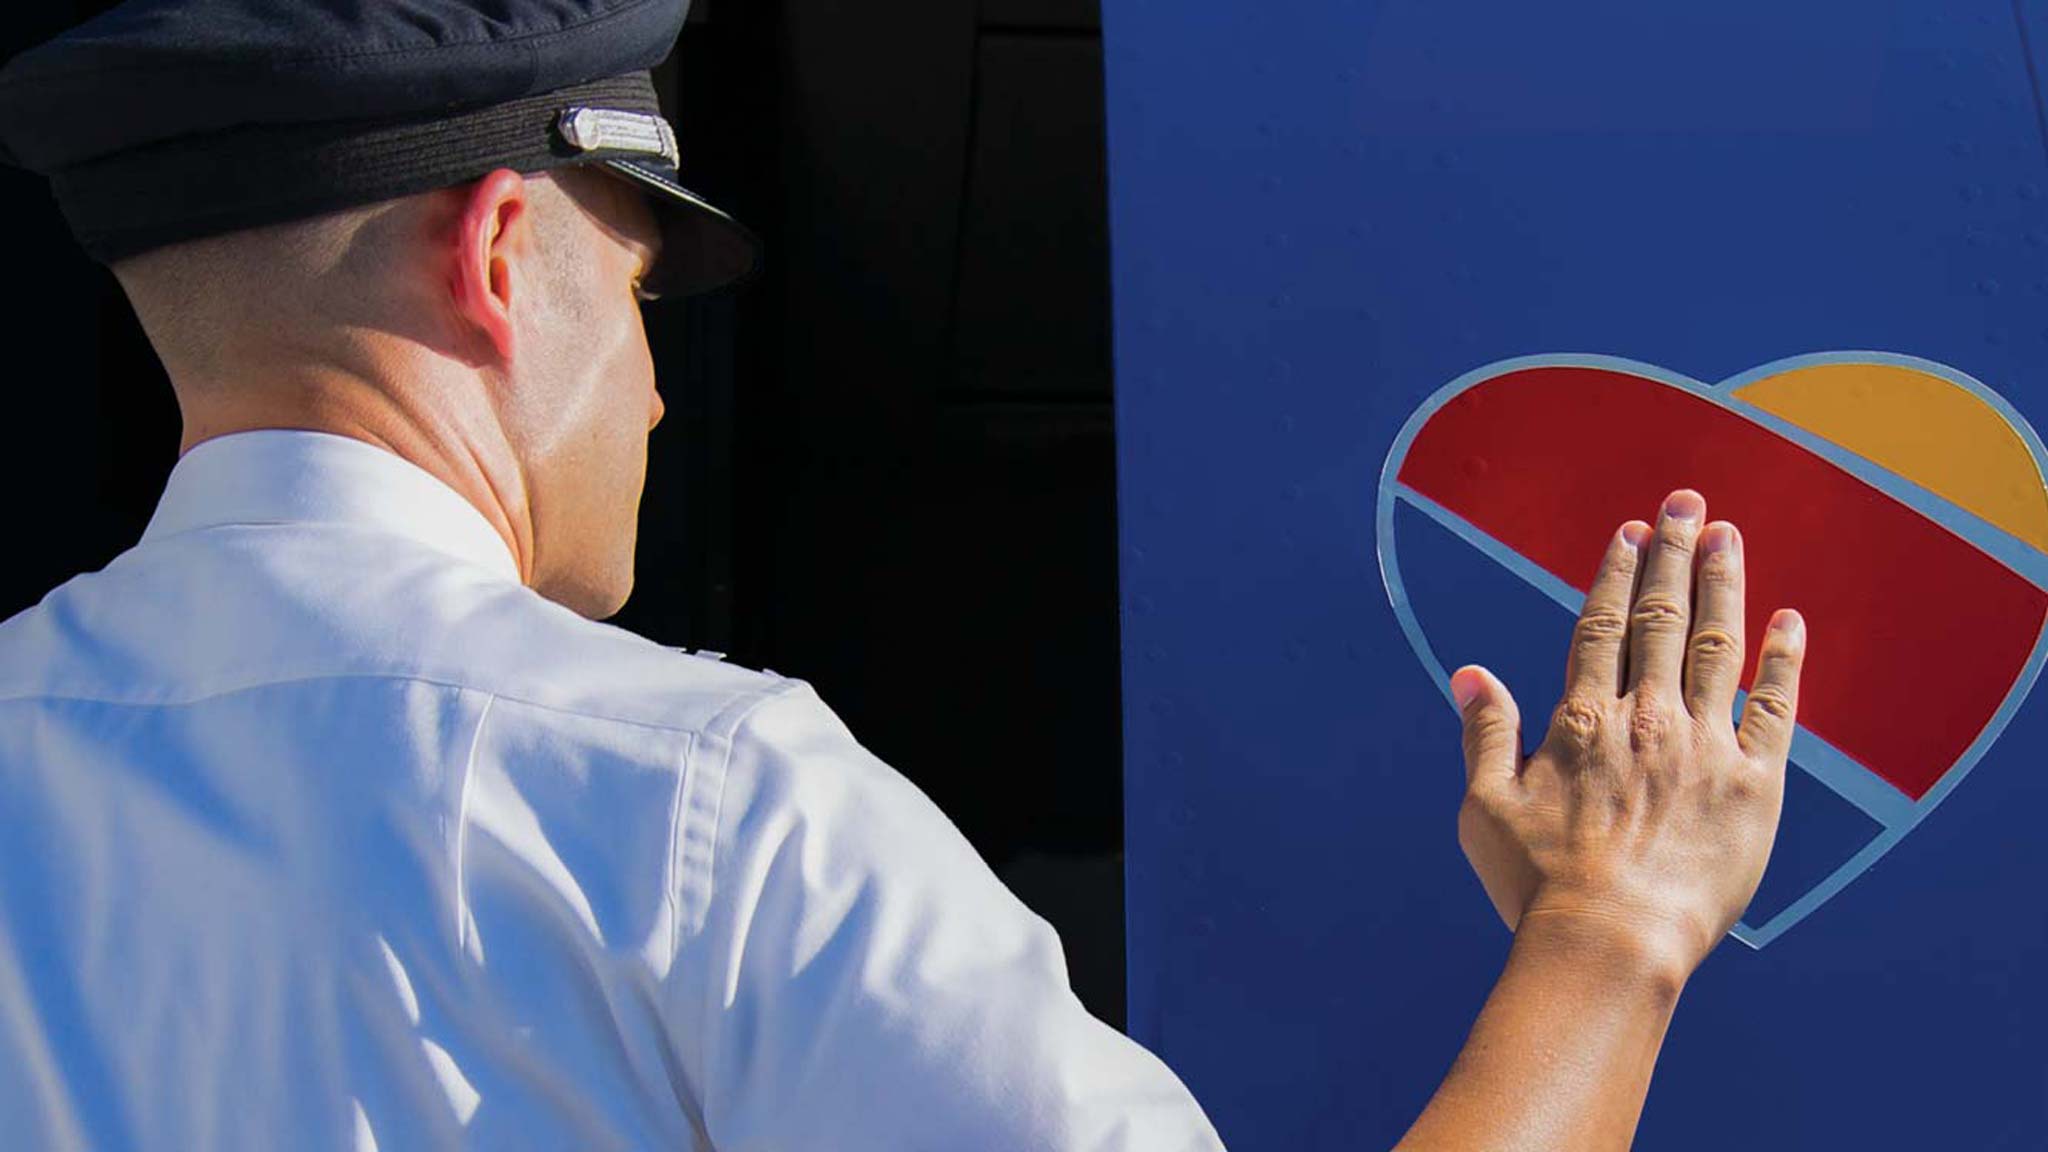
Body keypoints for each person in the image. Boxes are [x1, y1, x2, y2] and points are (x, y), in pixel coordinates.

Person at [0, 2, 1807, 1149]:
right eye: (636, 299)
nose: (644, 389)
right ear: (497, 251)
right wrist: (1614, 932)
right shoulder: (693, 799)